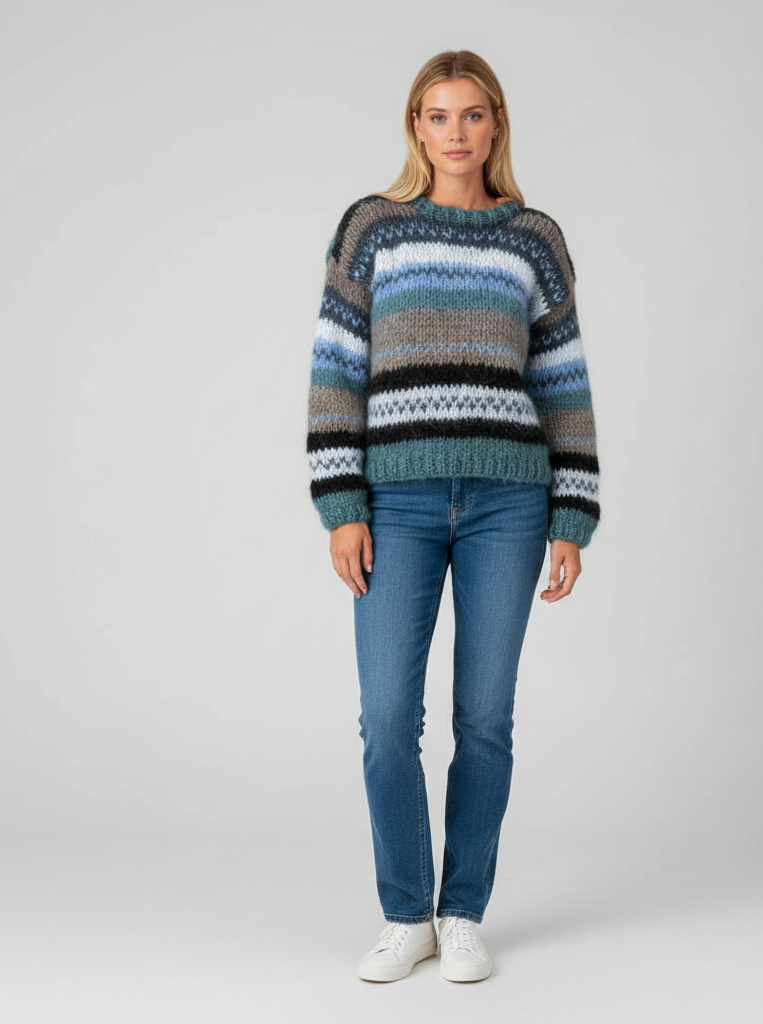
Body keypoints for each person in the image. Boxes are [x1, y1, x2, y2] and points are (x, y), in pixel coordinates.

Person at [304, 49, 600, 983]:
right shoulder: (372, 229)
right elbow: (335, 368)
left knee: (485, 718)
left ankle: (462, 909)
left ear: (496, 123)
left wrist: (572, 513)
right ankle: (407, 914)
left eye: (473, 114)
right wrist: (340, 503)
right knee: (388, 717)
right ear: (416, 127)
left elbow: (562, 382)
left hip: (509, 506)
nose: (456, 132)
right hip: (395, 503)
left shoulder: (534, 239)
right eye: (438, 115)